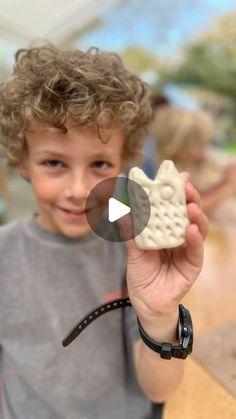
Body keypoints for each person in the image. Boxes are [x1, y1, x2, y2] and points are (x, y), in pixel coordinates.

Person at [0, 44, 208, 419]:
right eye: (53, 163)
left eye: (99, 163)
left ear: (124, 162)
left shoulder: (133, 250)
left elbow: (159, 387)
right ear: (22, 163)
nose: (79, 189)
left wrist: (160, 316)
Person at [153, 105, 236, 217]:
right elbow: (188, 211)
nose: (205, 149)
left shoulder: (199, 161)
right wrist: (228, 184)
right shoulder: (168, 171)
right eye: (200, 144)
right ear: (179, 145)